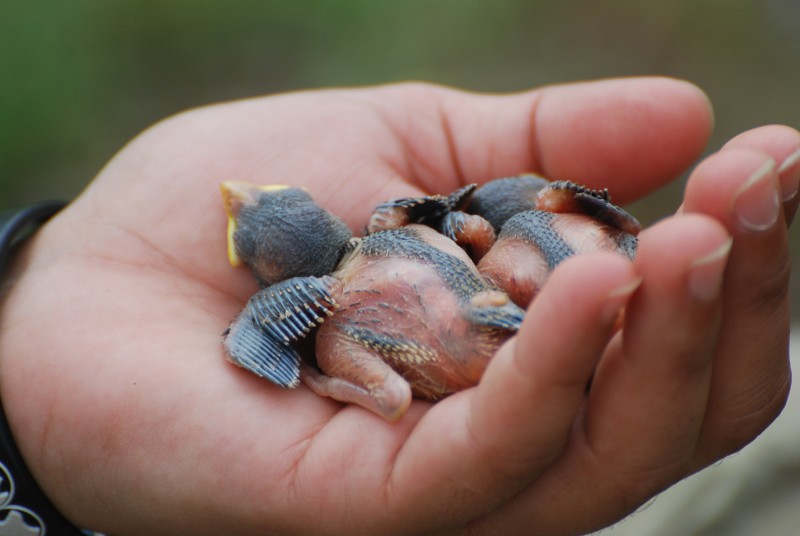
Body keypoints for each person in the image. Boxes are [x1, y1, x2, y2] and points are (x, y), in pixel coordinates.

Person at [0, 77, 796, 535]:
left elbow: (385, 399)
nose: (234, 194)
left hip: (503, 342)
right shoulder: (394, 231)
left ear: (271, 279)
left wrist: (317, 378)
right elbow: (472, 224)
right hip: (508, 316)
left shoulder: (338, 318)